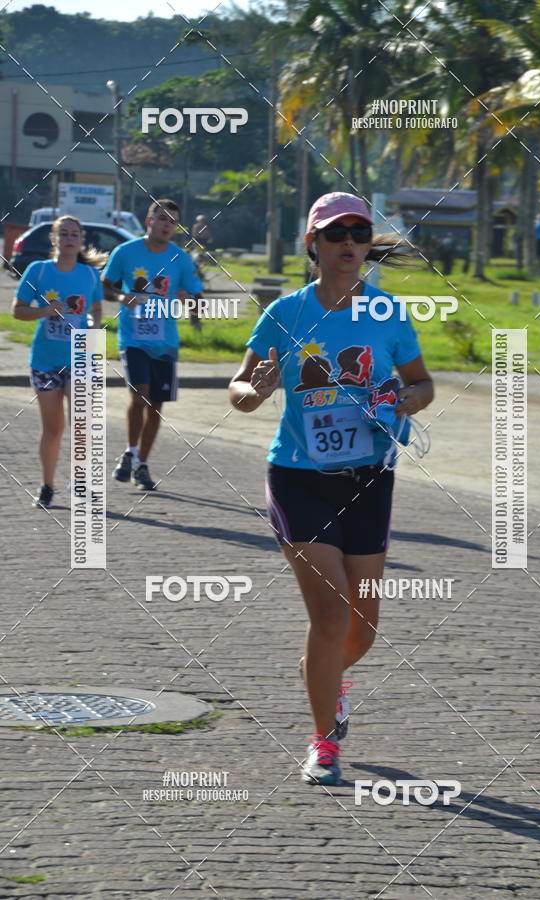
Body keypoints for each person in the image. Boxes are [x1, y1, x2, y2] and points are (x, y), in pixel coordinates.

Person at [228, 192, 434, 785]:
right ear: (313, 244)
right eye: (336, 232)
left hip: (370, 476)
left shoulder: (389, 313)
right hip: (298, 476)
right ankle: (324, 742)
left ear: (368, 244)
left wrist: (403, 398)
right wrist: (257, 390)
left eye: (359, 232)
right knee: (330, 613)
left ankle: (326, 677)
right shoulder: (285, 314)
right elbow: (239, 393)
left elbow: (424, 385)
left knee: (362, 625)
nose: (349, 242)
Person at [102, 199, 203, 491]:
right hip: (133, 338)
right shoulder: (126, 252)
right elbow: (105, 285)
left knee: (156, 406)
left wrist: (190, 301)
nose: (167, 225)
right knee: (140, 395)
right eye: (162, 218)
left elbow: (199, 303)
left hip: (165, 342)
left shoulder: (181, 259)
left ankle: (140, 464)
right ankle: (131, 452)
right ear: (149, 221)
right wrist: (121, 297)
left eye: (172, 221)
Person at [12, 215, 104, 508]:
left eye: (74, 234)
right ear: (54, 239)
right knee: (53, 428)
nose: (69, 238)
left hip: (81, 360)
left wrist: (92, 334)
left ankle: (79, 482)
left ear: (81, 240)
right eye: (63, 233)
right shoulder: (38, 270)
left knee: (82, 425)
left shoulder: (90, 276)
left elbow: (98, 309)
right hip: (46, 361)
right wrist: (45, 312)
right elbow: (18, 311)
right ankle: (47, 485)